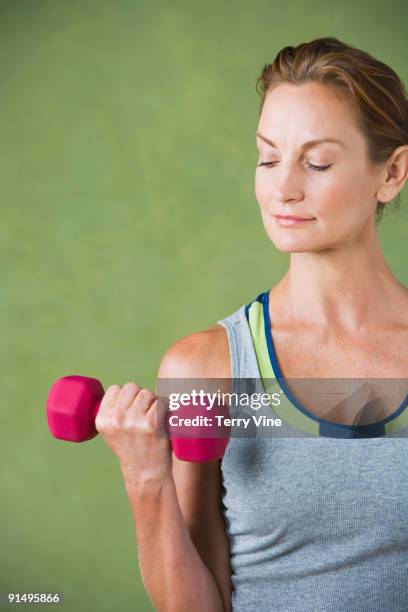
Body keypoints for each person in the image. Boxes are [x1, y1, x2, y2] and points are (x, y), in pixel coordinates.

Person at [94, 37, 408, 611]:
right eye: (267, 158)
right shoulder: (207, 368)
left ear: (391, 172)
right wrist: (146, 480)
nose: (282, 188)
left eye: (316, 162)